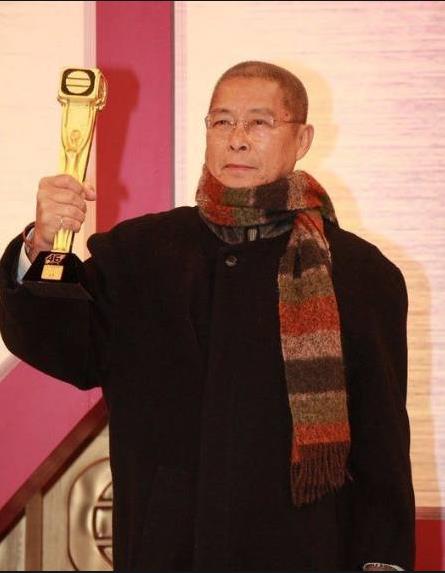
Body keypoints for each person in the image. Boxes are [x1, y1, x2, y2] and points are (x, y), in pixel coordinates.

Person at [0, 61, 415, 571]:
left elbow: (381, 447)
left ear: (302, 138)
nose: (237, 139)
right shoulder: (140, 254)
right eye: (222, 121)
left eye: (259, 122)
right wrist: (41, 245)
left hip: (306, 552)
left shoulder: (361, 275)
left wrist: (383, 563)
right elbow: (58, 343)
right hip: (169, 550)